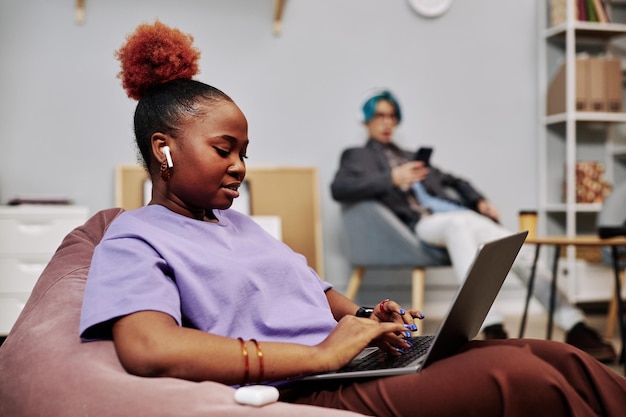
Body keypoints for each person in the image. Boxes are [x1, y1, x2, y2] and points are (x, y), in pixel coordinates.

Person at [80, 21, 626, 417]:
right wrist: (320, 353)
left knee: (559, 356)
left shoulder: (240, 227)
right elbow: (147, 347)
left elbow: (318, 295)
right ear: (165, 150)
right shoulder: (134, 237)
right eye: (225, 150)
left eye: (244, 152)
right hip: (312, 385)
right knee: (525, 379)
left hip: (357, 362)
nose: (239, 167)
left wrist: (366, 315)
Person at [330, 90, 617, 363]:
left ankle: (575, 324)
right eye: (380, 115)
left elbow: (455, 181)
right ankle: (492, 325)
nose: (387, 121)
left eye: (392, 115)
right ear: (366, 119)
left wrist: (479, 201)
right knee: (458, 225)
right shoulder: (357, 155)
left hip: (461, 217)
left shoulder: (412, 156)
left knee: (514, 244)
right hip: (420, 225)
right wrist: (392, 179)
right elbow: (340, 187)